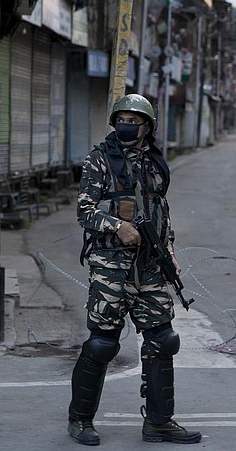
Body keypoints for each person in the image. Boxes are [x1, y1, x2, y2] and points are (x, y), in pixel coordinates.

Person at [67, 94, 201, 446]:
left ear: (148, 127)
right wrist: (115, 225)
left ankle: (158, 422)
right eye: (122, 118)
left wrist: (169, 250)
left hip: (151, 267)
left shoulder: (155, 163)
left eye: (134, 119)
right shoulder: (100, 160)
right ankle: (80, 420)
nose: (127, 124)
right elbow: (84, 210)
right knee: (101, 344)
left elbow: (161, 211)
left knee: (163, 340)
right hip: (111, 266)